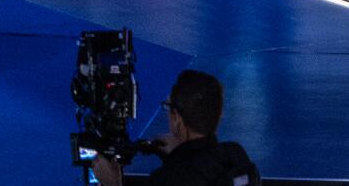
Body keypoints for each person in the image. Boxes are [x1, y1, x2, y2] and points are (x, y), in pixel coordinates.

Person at [91, 70, 260, 186]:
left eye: (168, 108)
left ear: (178, 119)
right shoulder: (235, 155)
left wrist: (113, 183)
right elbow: (203, 170)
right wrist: (178, 155)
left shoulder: (168, 179)